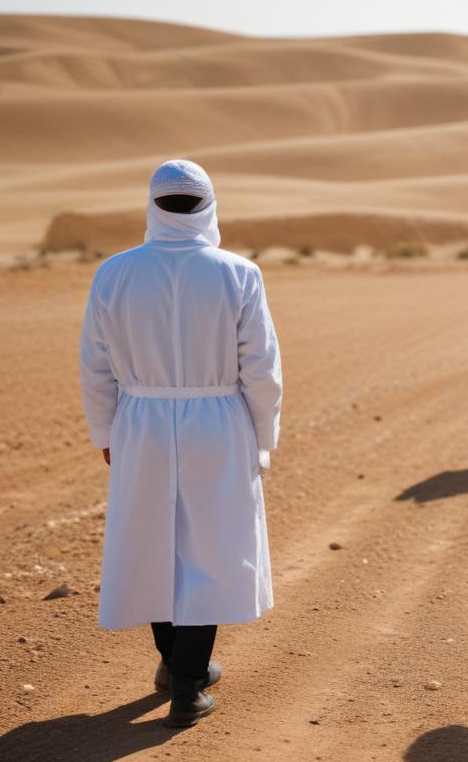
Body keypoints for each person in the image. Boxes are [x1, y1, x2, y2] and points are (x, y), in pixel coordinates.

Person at [79, 160, 283, 727]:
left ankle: (175, 663)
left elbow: (94, 368)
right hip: (217, 423)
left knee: (153, 542)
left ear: (152, 206)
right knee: (210, 548)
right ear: (209, 207)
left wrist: (106, 431)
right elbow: (262, 369)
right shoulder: (239, 273)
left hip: (139, 420)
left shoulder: (113, 274)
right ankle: (188, 682)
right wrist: (263, 435)